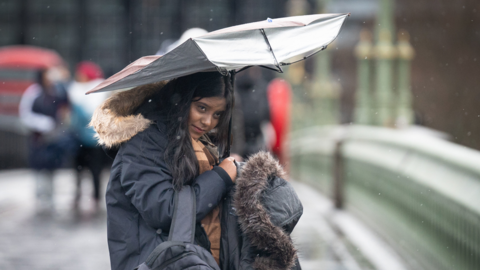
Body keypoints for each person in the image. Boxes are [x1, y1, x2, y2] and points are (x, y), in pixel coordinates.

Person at [90, 72, 302, 270]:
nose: (208, 121)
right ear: (183, 100)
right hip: (155, 260)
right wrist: (220, 177)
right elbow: (164, 210)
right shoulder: (145, 142)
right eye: (202, 108)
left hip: (184, 259)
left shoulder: (193, 142)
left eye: (217, 114)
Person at [19, 68, 73, 214]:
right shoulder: (33, 92)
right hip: (39, 139)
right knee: (39, 169)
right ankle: (41, 197)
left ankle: (49, 197)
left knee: (51, 168)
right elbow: (25, 114)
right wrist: (42, 123)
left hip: (54, 139)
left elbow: (67, 104)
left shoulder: (57, 90)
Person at [67, 61, 108, 212]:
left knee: (95, 171)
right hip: (80, 139)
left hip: (94, 140)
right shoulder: (74, 91)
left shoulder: (99, 92)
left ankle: (95, 197)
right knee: (79, 171)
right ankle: (80, 196)